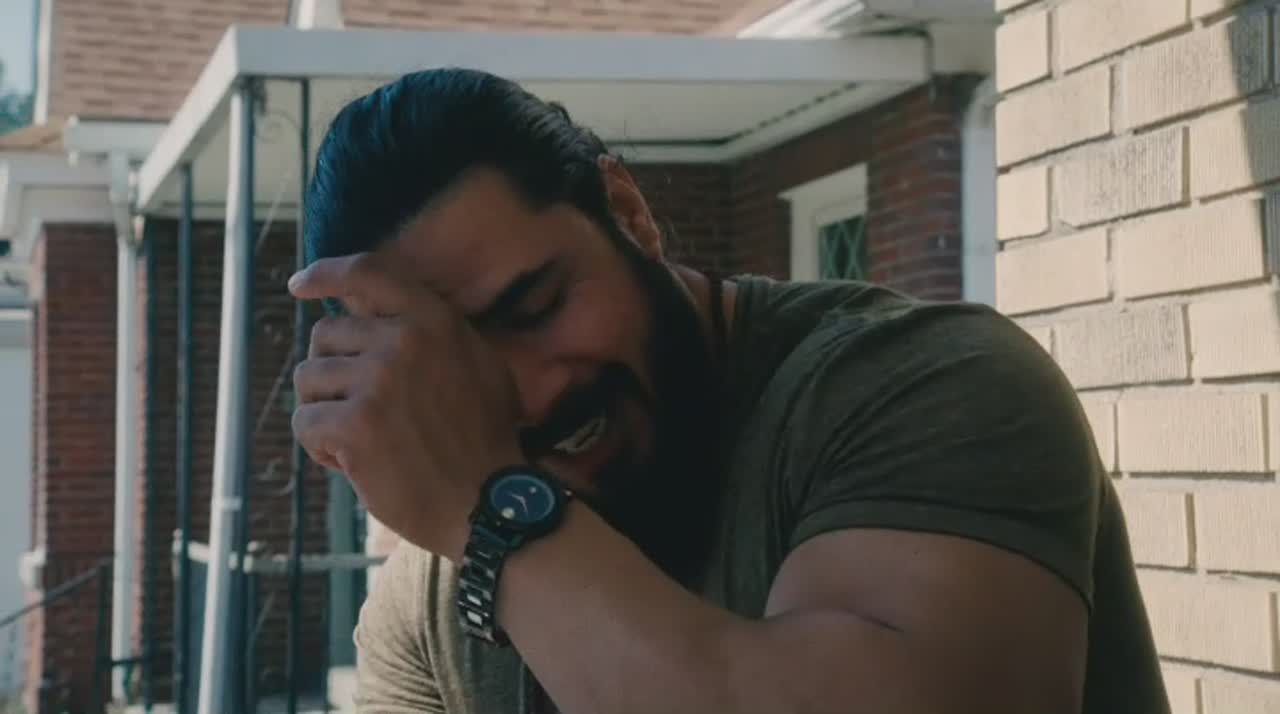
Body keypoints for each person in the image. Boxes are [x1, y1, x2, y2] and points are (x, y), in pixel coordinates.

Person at [288, 68, 1169, 714]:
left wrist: (499, 518)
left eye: (537, 306)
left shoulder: (934, 386)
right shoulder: (431, 602)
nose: (524, 397)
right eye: (454, 379)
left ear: (627, 212)